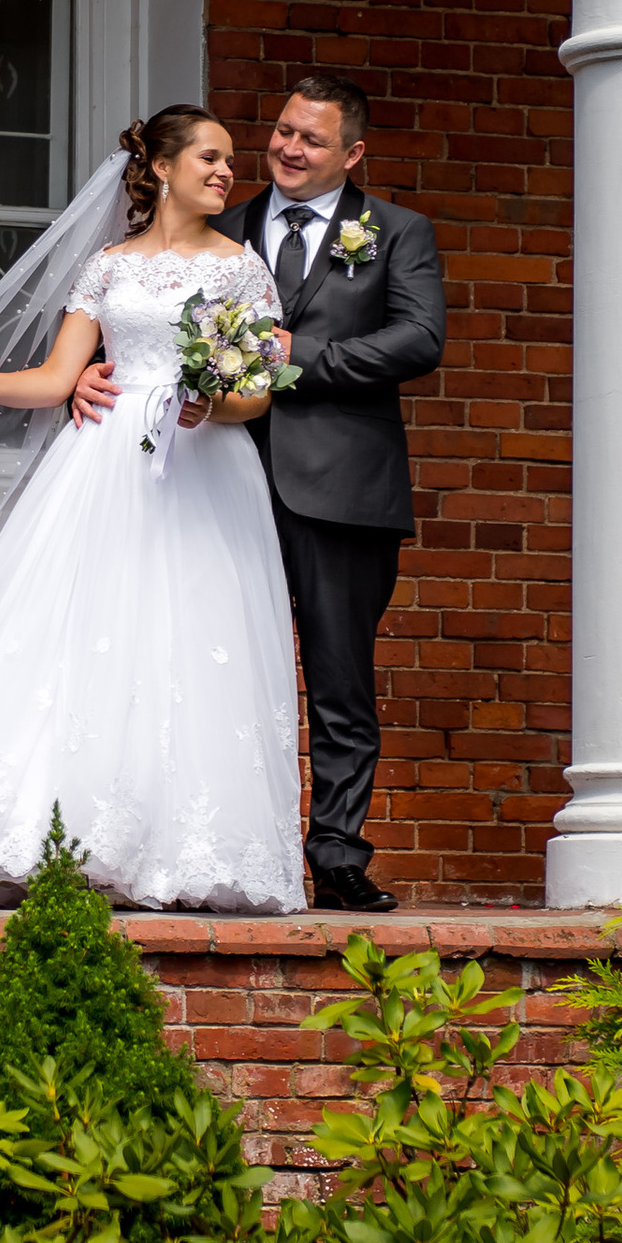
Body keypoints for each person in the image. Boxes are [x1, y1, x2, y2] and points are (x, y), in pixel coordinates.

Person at [0, 105, 306, 912]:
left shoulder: (242, 270)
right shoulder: (107, 268)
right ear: (163, 168)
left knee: (192, 643)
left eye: (228, 161)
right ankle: (54, 835)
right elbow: (54, 377)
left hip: (206, 469)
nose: (225, 172)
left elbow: (257, 394)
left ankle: (172, 850)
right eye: (209, 158)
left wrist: (212, 403)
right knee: (81, 637)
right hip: (104, 466)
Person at [76, 71, 443, 913]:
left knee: (340, 676)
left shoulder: (396, 232)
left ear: (353, 153)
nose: (289, 149)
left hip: (340, 486)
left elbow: (420, 339)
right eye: (283, 131)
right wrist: (87, 380)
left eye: (312, 139)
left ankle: (337, 857)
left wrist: (294, 358)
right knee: (197, 660)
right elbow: (139, 329)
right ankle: (182, 842)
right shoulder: (221, 225)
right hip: (208, 477)